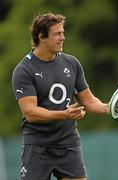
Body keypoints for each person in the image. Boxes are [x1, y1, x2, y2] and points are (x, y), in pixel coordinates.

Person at [12, 12, 109, 180]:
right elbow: (30, 113)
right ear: (42, 36)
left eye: (63, 32)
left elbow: (88, 101)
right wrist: (65, 114)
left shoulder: (72, 63)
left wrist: (109, 108)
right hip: (37, 147)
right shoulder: (24, 70)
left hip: (68, 144)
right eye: (57, 33)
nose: (62, 37)